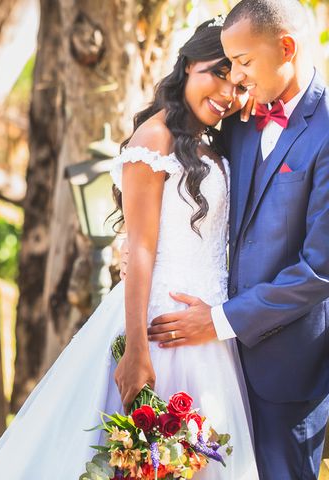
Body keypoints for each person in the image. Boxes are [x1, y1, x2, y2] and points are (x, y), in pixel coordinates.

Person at [0, 19, 259, 479]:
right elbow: (142, 249)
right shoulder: (153, 140)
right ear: (187, 66)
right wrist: (138, 351)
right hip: (160, 327)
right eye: (217, 73)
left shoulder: (212, 140)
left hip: (208, 327)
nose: (228, 92)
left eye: (238, 81)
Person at [136, 1, 329, 478]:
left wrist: (220, 321)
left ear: (286, 47)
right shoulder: (241, 121)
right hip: (209, 362)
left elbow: (320, 267)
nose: (236, 79)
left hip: (286, 369)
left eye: (243, 63)